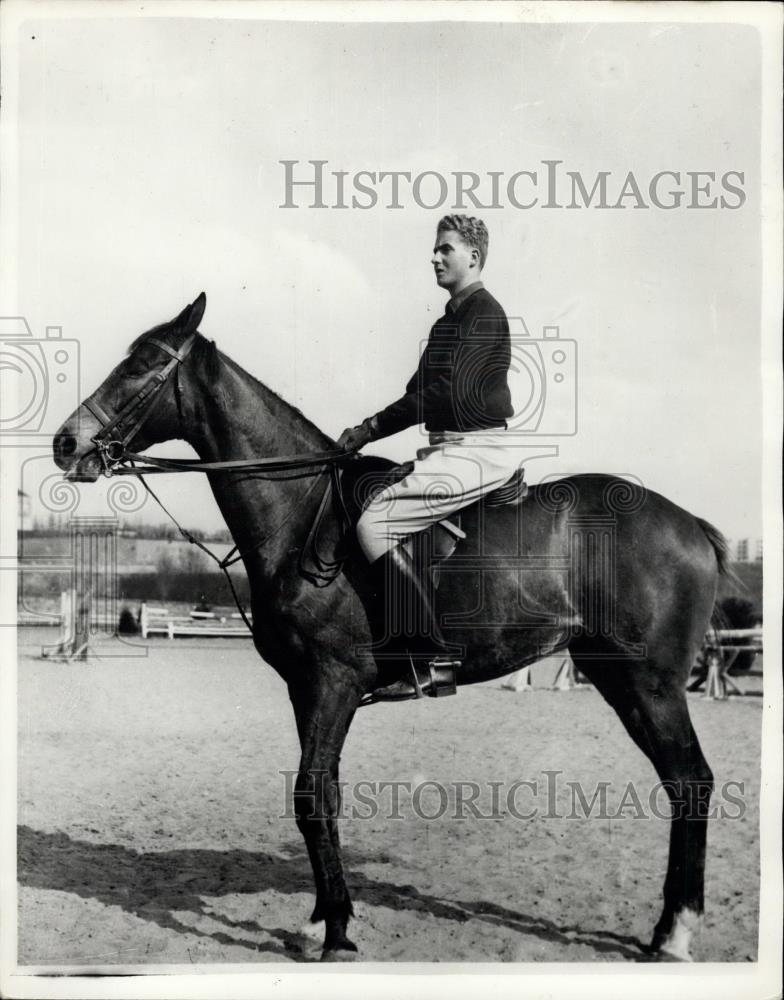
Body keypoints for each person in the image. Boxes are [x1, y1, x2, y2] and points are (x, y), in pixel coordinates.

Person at [337, 215, 519, 698]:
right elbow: (417, 394)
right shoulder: (447, 322)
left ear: (473, 257)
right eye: (435, 250)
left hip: (479, 450)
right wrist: (365, 433)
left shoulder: (484, 313)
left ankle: (432, 660)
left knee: (374, 525)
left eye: (446, 249)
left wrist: (371, 428)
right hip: (446, 447)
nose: (435, 257)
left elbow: (444, 393)